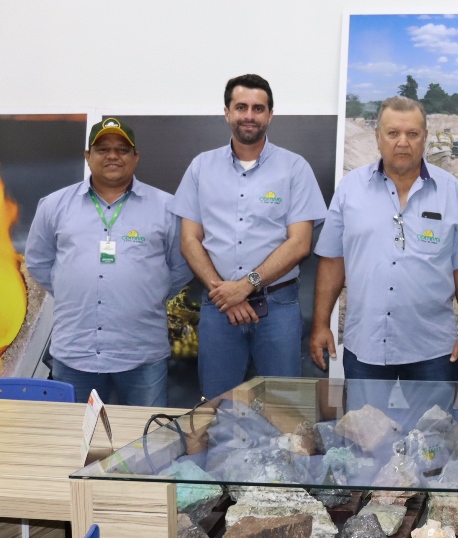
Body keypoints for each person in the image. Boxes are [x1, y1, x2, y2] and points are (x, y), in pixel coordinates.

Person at [171, 74, 327, 399]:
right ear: (227, 112)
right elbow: (189, 240)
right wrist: (225, 294)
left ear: (270, 115)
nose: (249, 115)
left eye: (258, 108)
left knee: (284, 408)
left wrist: (245, 286)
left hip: (277, 307)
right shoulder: (201, 167)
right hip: (218, 308)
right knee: (217, 409)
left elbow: (300, 243)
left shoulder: (294, 168)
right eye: (241, 107)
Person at [310, 96, 458, 382]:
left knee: (434, 427)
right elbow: (332, 261)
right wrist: (320, 324)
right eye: (393, 133)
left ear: (425, 137)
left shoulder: (452, 191)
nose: (403, 142)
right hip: (366, 346)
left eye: (412, 134)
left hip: (433, 351)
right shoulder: (350, 189)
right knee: (363, 427)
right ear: (378, 137)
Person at [25, 117, 192, 405]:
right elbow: (38, 262)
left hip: (141, 354)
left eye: (122, 149)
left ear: (135, 158)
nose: (113, 155)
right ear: (88, 157)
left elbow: (181, 266)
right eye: (102, 149)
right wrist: (73, 290)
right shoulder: (54, 205)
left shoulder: (166, 207)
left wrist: (147, 295)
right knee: (76, 444)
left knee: (144, 441)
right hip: (75, 353)